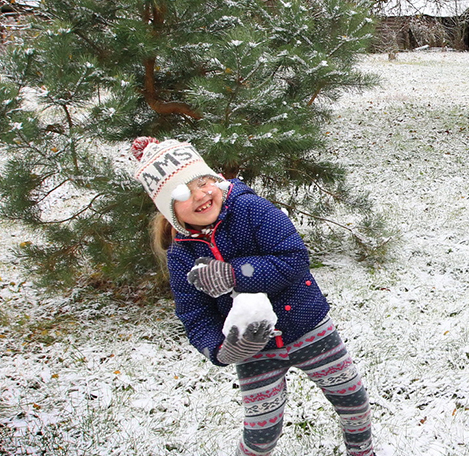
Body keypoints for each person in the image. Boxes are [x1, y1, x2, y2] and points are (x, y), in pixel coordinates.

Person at [131, 136, 374, 455]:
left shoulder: (249, 208)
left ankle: (363, 452)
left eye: (204, 182)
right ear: (170, 209)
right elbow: (194, 315)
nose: (201, 195)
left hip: (309, 327)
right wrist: (222, 350)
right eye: (184, 194)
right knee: (261, 433)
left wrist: (235, 273)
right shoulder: (181, 256)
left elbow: (293, 258)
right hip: (252, 349)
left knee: (352, 401)